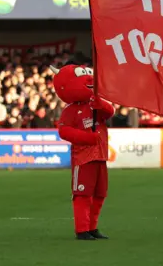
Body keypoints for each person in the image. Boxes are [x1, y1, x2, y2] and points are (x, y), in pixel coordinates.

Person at [52, 64, 115, 241]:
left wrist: (99, 102)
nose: (88, 79)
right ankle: (82, 229)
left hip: (100, 155)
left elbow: (109, 112)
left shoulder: (95, 105)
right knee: (83, 194)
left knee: (100, 194)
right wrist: (88, 138)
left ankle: (92, 227)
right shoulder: (70, 111)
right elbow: (64, 131)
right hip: (83, 158)